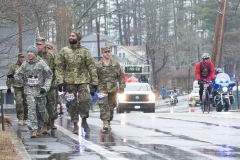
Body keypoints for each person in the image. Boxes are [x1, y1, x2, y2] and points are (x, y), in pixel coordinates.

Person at [55, 30, 98, 134]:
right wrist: (60, 81)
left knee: (84, 101)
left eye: (73, 36)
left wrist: (94, 82)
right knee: (72, 104)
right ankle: (75, 124)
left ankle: (84, 120)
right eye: (70, 35)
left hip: (83, 81)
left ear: (78, 38)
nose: (71, 37)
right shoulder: (64, 51)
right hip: (69, 83)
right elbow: (59, 67)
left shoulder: (85, 51)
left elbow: (92, 67)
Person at [7, 45, 53, 138]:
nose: (29, 53)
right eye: (28, 52)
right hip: (29, 91)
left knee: (41, 111)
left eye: (31, 52)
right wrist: (12, 78)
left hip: (40, 91)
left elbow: (49, 76)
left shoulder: (42, 63)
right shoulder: (25, 64)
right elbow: (19, 77)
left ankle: (40, 127)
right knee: (31, 110)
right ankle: (33, 130)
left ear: (35, 53)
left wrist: (45, 87)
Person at [96, 46, 125, 131]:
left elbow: (121, 76)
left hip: (113, 89)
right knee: (103, 105)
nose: (107, 53)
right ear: (102, 54)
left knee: (111, 106)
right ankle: (105, 122)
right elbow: (94, 77)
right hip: (102, 89)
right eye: (105, 52)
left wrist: (122, 87)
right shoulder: (98, 65)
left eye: (108, 52)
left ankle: (109, 121)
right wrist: (92, 88)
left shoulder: (115, 64)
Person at [36, 37, 58, 134]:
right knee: (41, 105)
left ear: (44, 45)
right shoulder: (35, 56)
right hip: (40, 85)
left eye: (40, 44)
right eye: (37, 44)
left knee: (51, 105)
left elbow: (56, 69)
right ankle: (44, 124)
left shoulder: (51, 55)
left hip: (51, 85)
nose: (38, 46)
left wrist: (58, 81)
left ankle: (51, 121)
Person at [6, 53, 28, 125]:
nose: (22, 59)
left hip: (26, 87)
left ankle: (25, 118)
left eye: (23, 57)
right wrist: (8, 87)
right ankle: (20, 118)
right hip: (17, 87)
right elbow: (9, 76)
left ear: (25, 58)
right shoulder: (14, 66)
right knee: (19, 102)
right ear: (18, 58)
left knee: (26, 103)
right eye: (20, 58)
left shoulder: (27, 65)